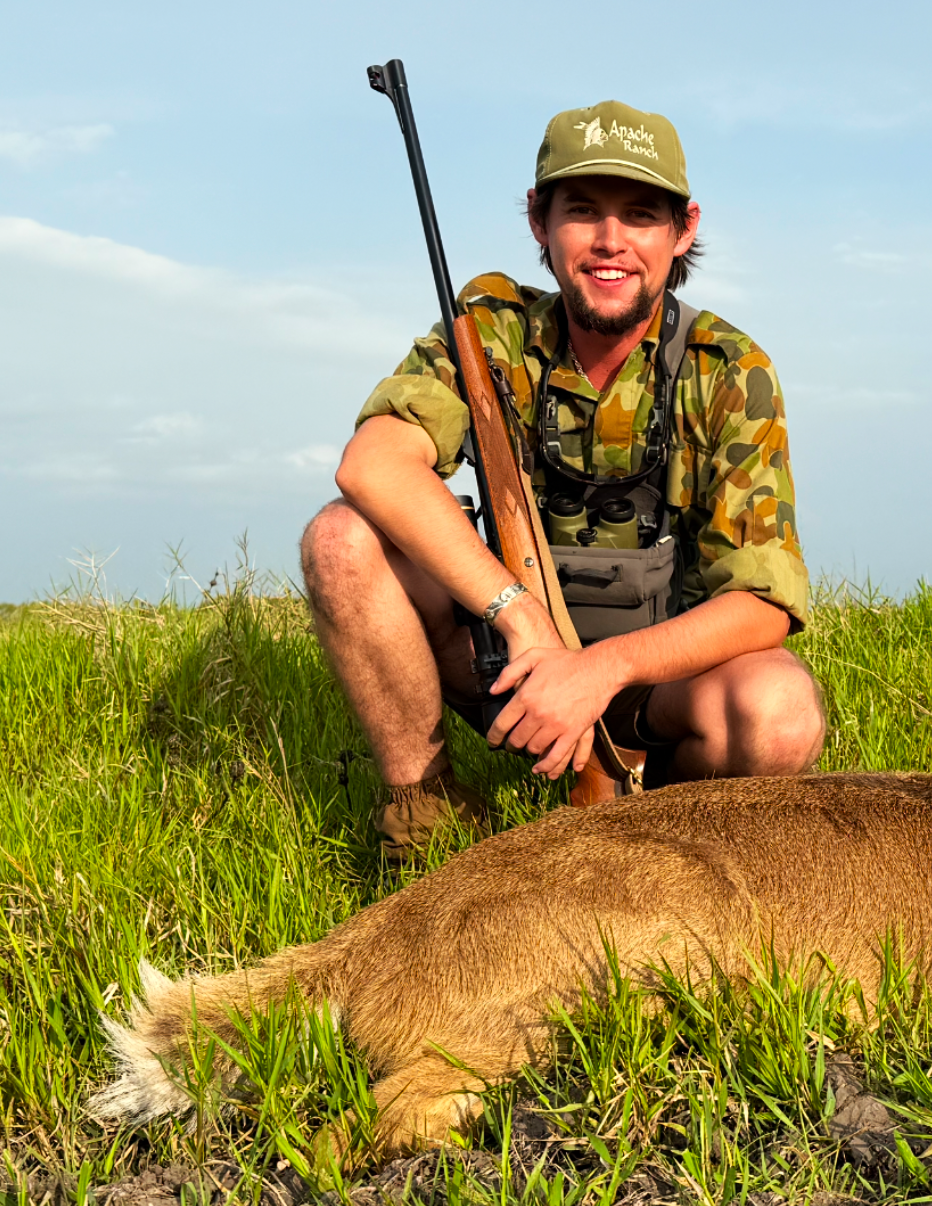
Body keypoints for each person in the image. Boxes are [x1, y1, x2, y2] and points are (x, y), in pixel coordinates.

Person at [301, 100, 824, 857]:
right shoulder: (491, 336)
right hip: (509, 671)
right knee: (339, 540)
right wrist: (524, 623)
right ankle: (425, 809)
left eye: (640, 215)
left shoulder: (729, 368)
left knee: (779, 711)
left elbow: (764, 604)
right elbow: (370, 464)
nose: (610, 242)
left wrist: (597, 671)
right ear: (538, 221)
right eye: (582, 212)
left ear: (683, 231)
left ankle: (663, 832)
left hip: (659, 690)